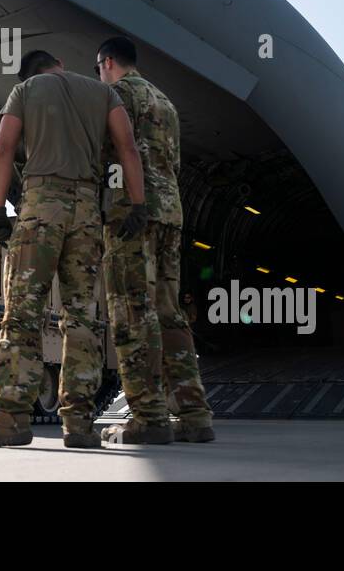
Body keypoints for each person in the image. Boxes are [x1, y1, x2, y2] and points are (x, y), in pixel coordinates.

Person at [0, 50, 146, 449]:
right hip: (86, 213)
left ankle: (10, 419)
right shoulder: (102, 93)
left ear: (29, 74)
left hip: (41, 207)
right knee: (81, 318)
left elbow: (3, 149)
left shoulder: (27, 90)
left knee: (23, 313)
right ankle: (79, 424)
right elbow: (128, 148)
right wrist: (138, 204)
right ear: (59, 64)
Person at [96, 36, 215, 444]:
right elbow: (174, 162)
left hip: (132, 213)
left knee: (132, 313)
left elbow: (107, 153)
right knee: (168, 312)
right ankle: (194, 414)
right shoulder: (165, 103)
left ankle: (148, 416)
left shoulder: (114, 95)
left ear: (107, 62)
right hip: (171, 213)